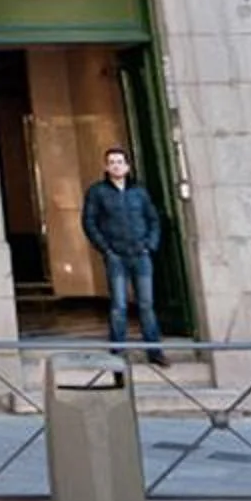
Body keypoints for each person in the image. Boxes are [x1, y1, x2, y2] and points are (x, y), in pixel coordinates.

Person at [81, 146, 169, 366]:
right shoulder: (97, 192)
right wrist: (106, 249)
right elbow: (89, 222)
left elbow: (153, 219)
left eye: (119, 161)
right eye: (111, 162)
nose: (116, 165)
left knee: (146, 304)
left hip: (141, 254)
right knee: (119, 304)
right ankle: (117, 351)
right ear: (106, 166)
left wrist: (150, 245)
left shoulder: (139, 192)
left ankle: (154, 351)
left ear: (128, 166)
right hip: (116, 256)